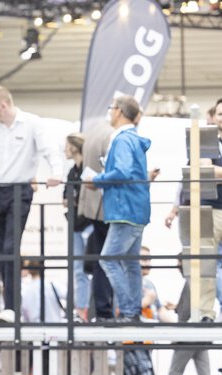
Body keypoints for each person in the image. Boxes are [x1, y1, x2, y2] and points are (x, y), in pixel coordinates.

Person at [0, 86, 64, 324]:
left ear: (3, 105)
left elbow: (49, 150)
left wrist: (57, 172)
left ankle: (11, 306)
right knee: (1, 252)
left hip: (20, 191)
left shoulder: (32, 123)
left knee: (11, 247)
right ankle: (9, 307)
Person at [165, 98, 222, 321]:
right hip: (209, 211)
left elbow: (214, 174)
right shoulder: (203, 143)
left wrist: (218, 174)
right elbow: (202, 172)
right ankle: (205, 314)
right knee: (206, 265)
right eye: (221, 114)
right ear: (214, 117)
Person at [85, 96, 150, 322]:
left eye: (112, 108)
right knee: (130, 263)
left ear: (120, 112)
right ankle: (133, 312)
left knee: (108, 260)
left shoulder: (122, 140)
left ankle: (129, 310)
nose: (110, 112)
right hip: (136, 209)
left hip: (124, 209)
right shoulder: (133, 139)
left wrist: (98, 179)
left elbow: (122, 171)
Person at [164, 260, 219, 375]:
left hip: (187, 338)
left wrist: (179, 315)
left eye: (180, 264)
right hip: (201, 337)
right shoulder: (202, 279)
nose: (178, 267)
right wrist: (176, 307)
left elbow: (187, 312)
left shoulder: (190, 281)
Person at [63, 133, 95, 321]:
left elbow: (88, 197)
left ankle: (94, 308)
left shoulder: (88, 169)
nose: (64, 149)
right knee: (78, 269)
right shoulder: (71, 172)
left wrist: (76, 202)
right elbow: (67, 199)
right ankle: (81, 309)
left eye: (66, 145)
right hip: (75, 225)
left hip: (89, 223)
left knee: (94, 266)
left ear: (74, 146)